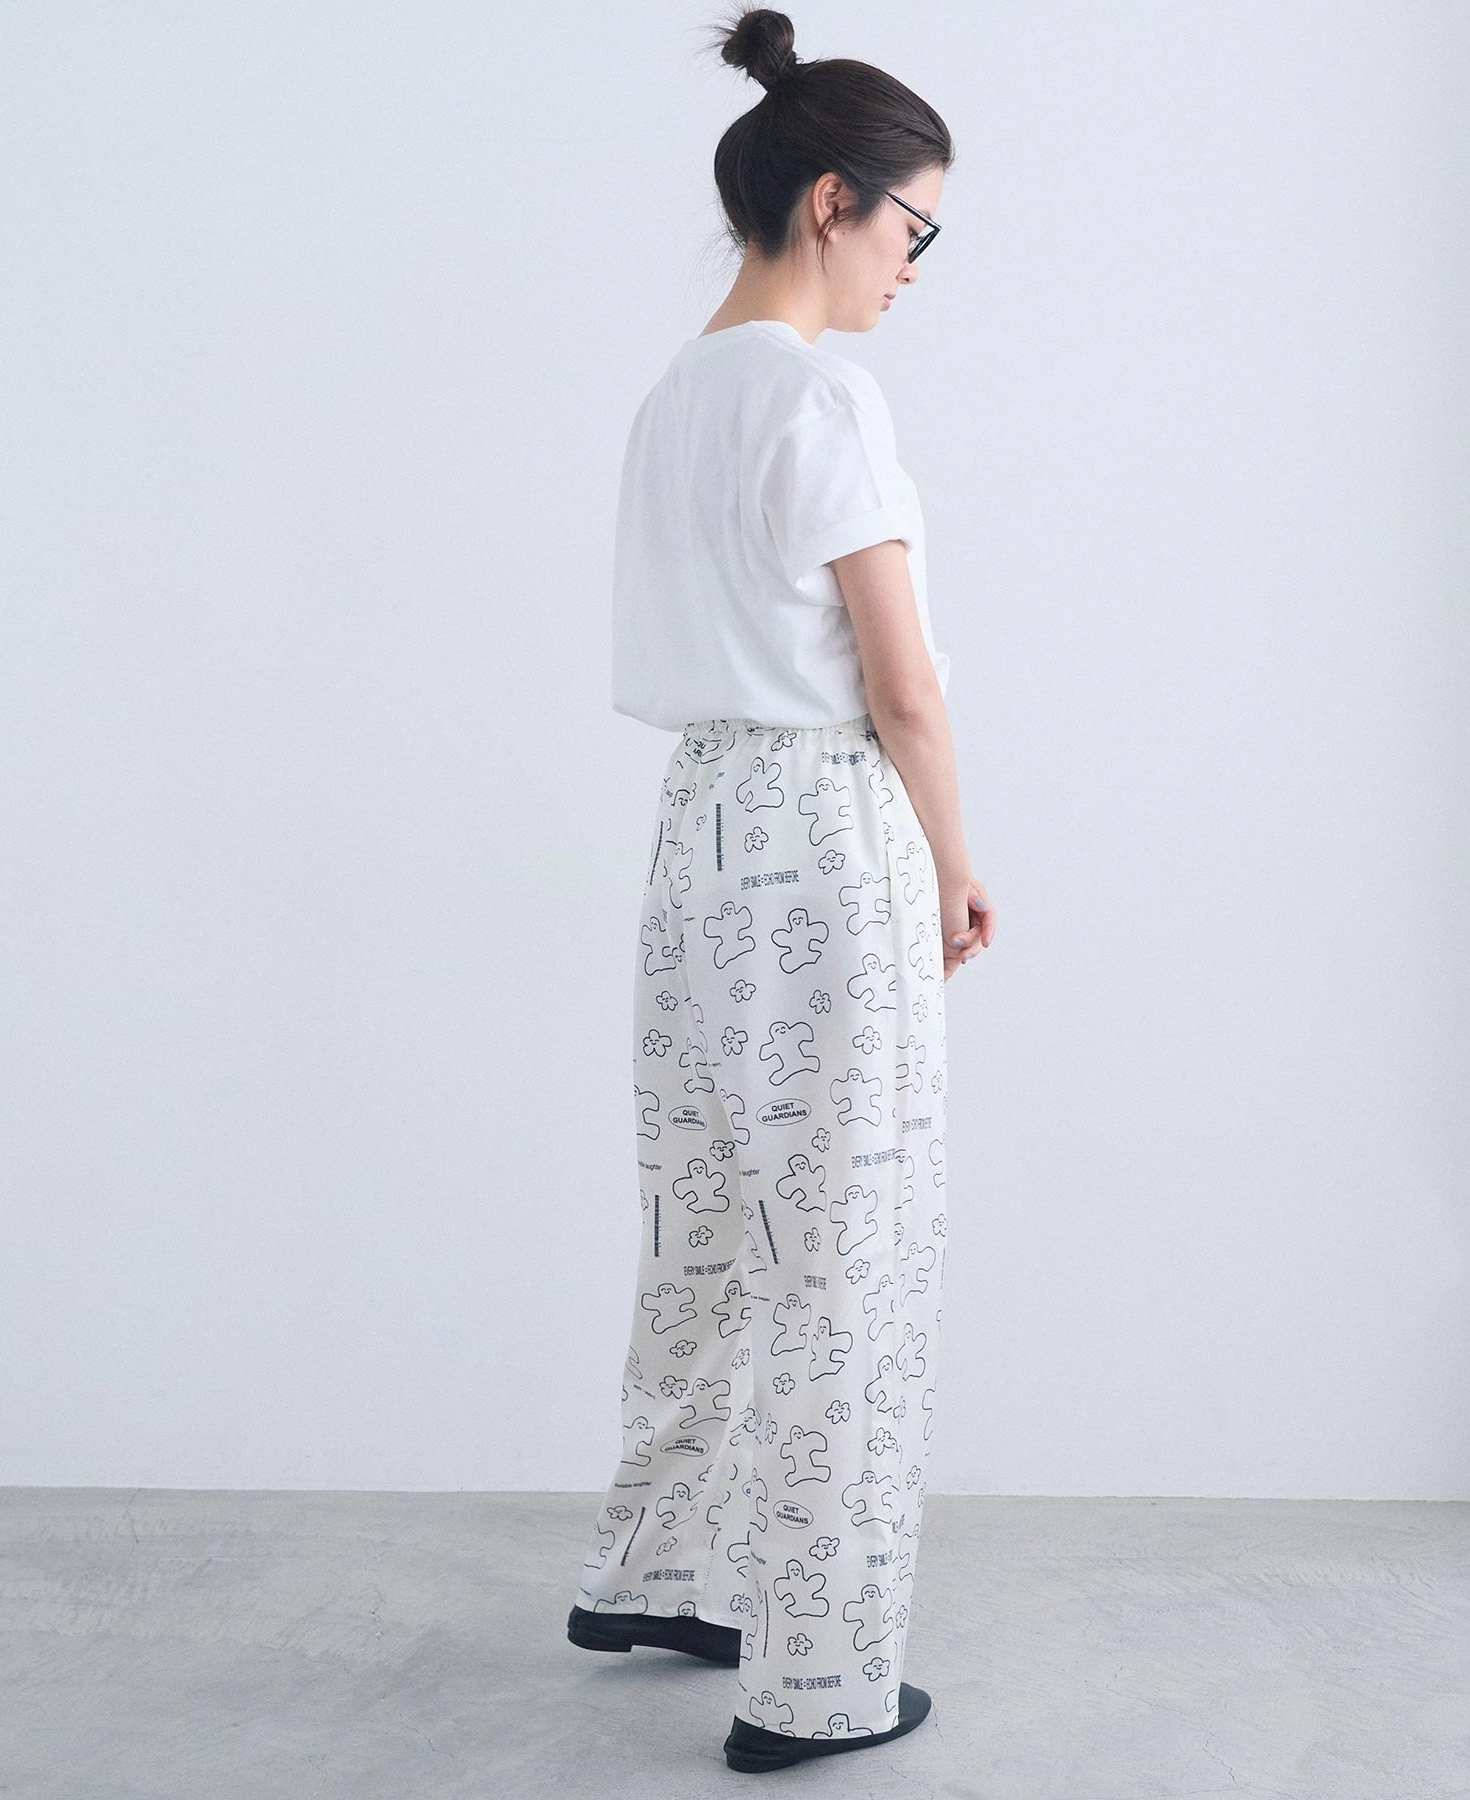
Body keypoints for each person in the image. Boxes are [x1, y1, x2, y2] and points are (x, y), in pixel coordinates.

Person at [565, 5, 995, 1776]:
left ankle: (657, 1571)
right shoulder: (823, 396)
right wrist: (955, 862)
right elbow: (902, 686)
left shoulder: (677, 394)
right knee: (846, 1256)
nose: (915, 266)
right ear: (835, 200)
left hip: (697, 838)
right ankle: (817, 1680)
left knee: (705, 1224)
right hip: (824, 839)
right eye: (915, 227)